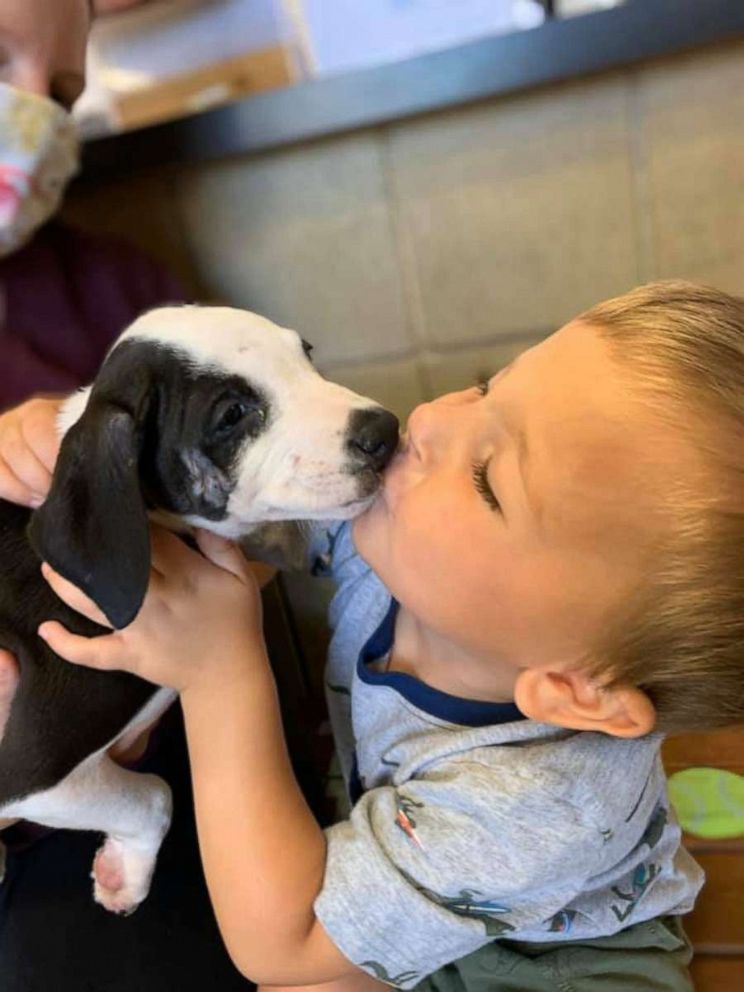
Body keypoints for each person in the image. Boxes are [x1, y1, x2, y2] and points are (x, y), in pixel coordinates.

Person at [19, 280, 744, 992]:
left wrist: (220, 677)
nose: (422, 422)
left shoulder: (540, 803)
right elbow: (239, 516)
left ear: (572, 688)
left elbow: (281, 945)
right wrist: (67, 447)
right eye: (485, 389)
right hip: (418, 869)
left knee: (294, 973)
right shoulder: (397, 558)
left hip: (552, 968)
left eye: (488, 477)